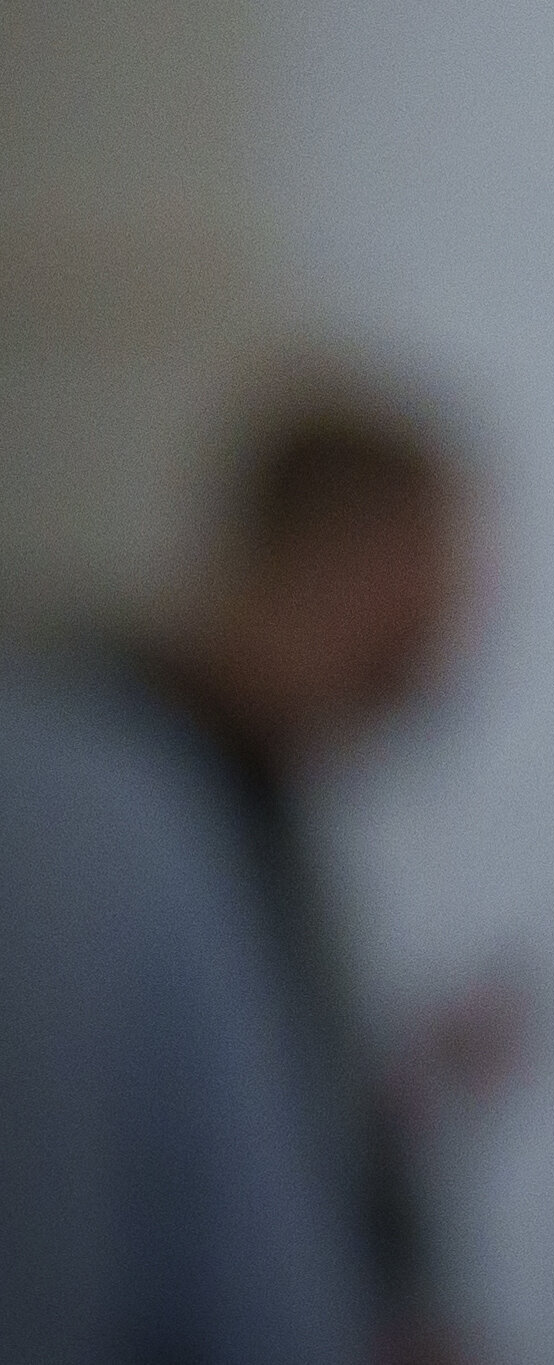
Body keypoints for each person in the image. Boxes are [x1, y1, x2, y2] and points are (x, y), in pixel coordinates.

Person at [0, 393, 464, 1365]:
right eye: (438, 576)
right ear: (353, 563)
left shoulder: (264, 793)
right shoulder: (104, 802)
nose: (450, 634)